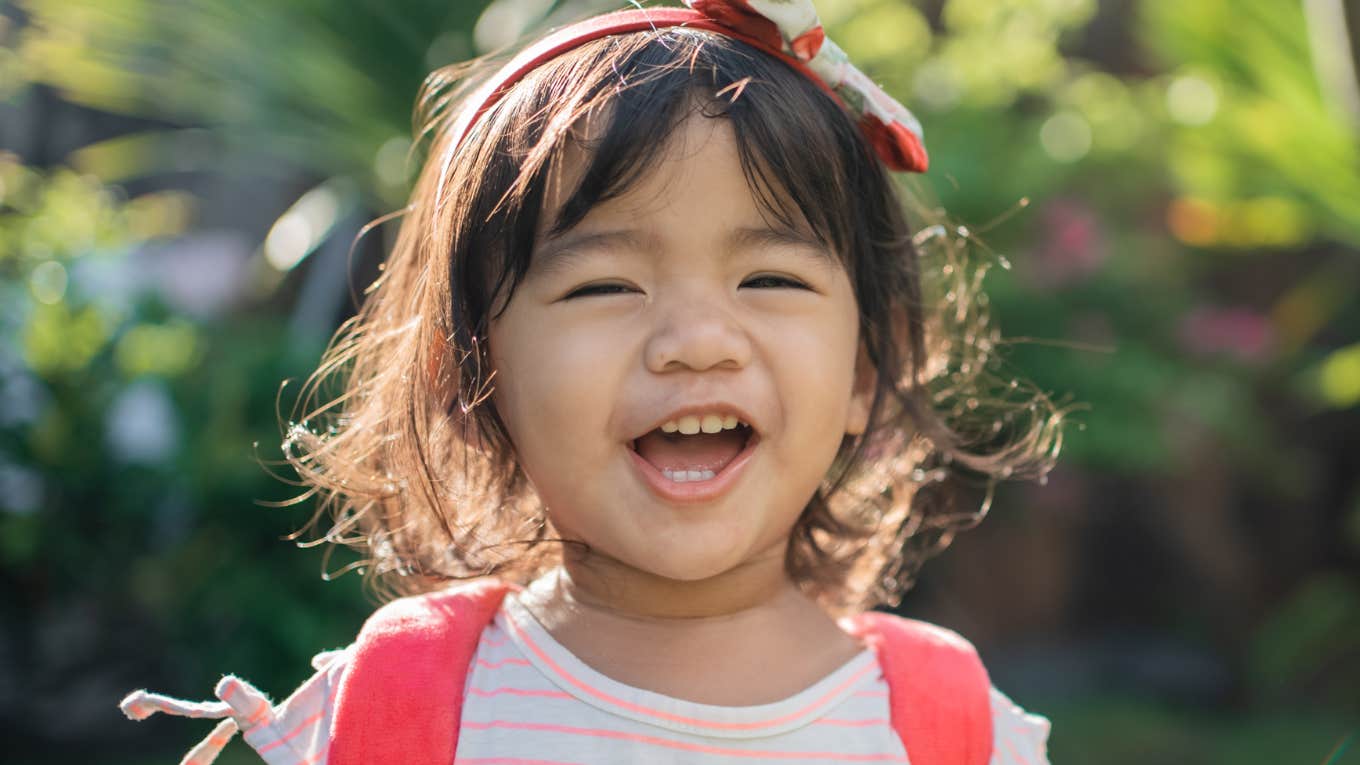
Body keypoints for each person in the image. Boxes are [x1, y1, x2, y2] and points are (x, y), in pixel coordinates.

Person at [122, 1, 1063, 762]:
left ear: (864, 367)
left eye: (769, 278)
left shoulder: (949, 729)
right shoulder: (405, 710)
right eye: (606, 283)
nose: (697, 342)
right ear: (475, 374)